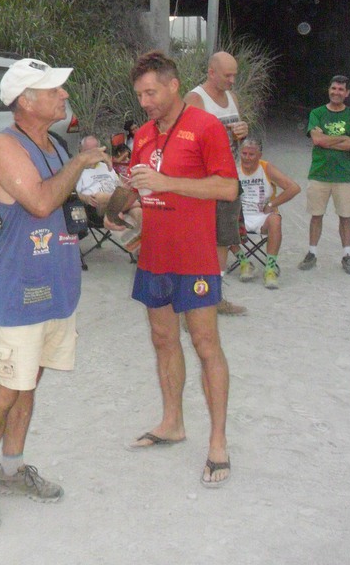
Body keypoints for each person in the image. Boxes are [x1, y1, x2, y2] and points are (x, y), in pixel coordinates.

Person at [0, 58, 109, 530]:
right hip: (20, 290)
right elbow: (41, 200)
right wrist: (81, 162)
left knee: (28, 385)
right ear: (26, 101)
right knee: (4, 390)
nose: (64, 95)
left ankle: (12, 469)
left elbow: (63, 201)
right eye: (54, 90)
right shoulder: (3, 146)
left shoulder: (54, 144)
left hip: (58, 286)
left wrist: (107, 206)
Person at [121, 50, 239, 488]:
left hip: (195, 257)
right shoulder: (143, 135)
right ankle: (172, 422)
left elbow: (227, 187)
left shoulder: (205, 126)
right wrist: (121, 208)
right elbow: (141, 188)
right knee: (162, 339)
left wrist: (167, 183)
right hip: (155, 255)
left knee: (206, 344)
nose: (145, 102)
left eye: (151, 92)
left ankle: (218, 442)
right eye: (139, 95)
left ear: (173, 86)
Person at [184, 50, 249, 316]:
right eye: (227, 75)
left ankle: (215, 297)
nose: (232, 80)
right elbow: (186, 142)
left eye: (235, 75)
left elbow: (236, 138)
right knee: (199, 243)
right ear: (211, 73)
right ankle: (191, 303)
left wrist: (242, 133)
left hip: (228, 180)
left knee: (223, 240)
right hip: (204, 184)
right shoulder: (195, 99)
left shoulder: (232, 98)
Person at [299, 74, 350, 276]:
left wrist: (328, 140)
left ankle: (347, 255)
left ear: (347, 93)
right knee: (316, 215)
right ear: (329, 90)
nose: (336, 92)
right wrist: (344, 137)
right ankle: (312, 252)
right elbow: (317, 141)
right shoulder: (317, 113)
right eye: (334, 88)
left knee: (345, 216)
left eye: (341, 89)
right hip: (320, 172)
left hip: (345, 175)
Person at [236, 137, 300, 289]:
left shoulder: (265, 168)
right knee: (221, 219)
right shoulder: (235, 169)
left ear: (259, 155)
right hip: (240, 215)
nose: (247, 158)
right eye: (244, 153)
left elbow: (294, 188)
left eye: (251, 154)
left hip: (262, 215)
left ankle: (270, 269)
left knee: (276, 219)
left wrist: (272, 204)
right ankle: (244, 262)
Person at [76, 135, 142, 251]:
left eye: (95, 150)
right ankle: (132, 202)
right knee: (99, 197)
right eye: (88, 151)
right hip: (95, 209)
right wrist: (85, 198)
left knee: (138, 211)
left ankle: (145, 245)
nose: (92, 154)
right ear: (80, 150)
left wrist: (125, 185)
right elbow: (71, 193)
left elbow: (118, 184)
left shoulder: (105, 166)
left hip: (118, 206)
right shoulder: (75, 169)